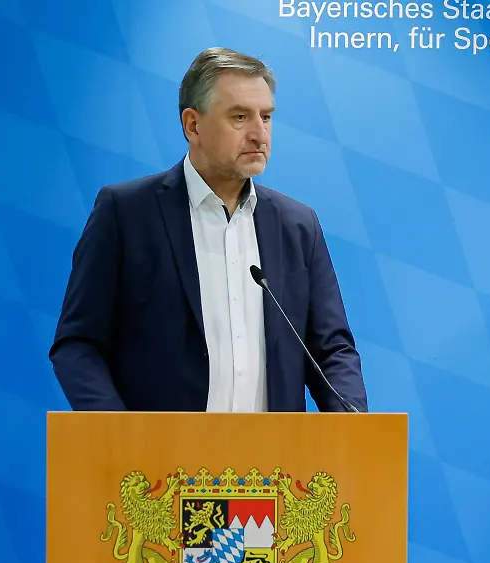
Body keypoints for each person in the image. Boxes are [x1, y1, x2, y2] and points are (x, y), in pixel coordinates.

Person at [50, 47, 367, 413]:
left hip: (274, 464)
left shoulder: (297, 225)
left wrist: (353, 431)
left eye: (266, 117)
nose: (259, 134)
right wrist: (119, 436)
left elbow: (332, 350)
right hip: (159, 463)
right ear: (192, 125)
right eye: (239, 117)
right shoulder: (126, 214)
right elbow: (78, 344)